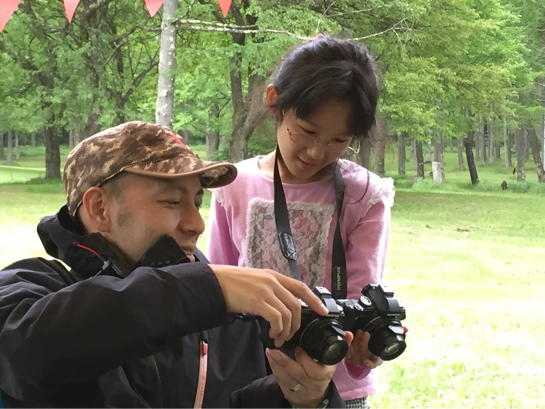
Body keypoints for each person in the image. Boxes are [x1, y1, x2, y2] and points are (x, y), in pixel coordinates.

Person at [0, 121, 347, 408]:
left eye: (197, 202)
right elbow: (24, 353)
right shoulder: (35, 287)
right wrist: (205, 288)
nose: (196, 223)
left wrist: (302, 399)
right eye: (172, 200)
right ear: (100, 209)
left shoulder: (224, 311)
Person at [207, 36, 395, 408]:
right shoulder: (236, 185)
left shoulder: (363, 196)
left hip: (333, 389)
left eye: (338, 140)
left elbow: (362, 299)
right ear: (276, 102)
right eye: (307, 131)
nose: (315, 152)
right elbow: (217, 285)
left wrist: (363, 354)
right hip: (245, 383)